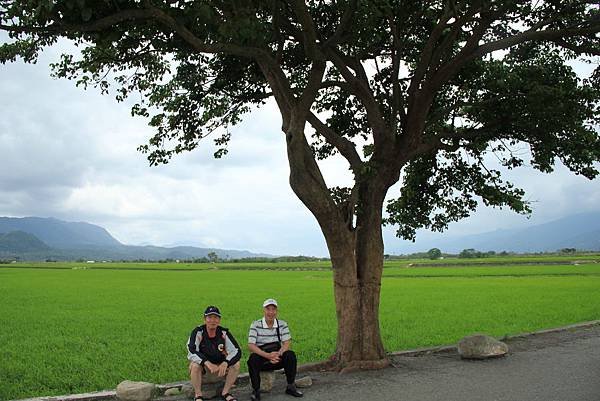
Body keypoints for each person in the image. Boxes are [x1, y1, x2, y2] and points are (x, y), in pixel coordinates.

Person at [247, 298, 303, 400]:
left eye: (273, 309)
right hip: (262, 358)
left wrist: (278, 354)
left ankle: (291, 386)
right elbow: (251, 345)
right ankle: (256, 391)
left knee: (290, 355)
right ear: (264, 310)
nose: (271, 312)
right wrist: (267, 356)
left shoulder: (282, 324)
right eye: (268, 309)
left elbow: (286, 342)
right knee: (253, 359)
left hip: (277, 357)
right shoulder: (255, 325)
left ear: (277, 311)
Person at [187, 306, 241, 401]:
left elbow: (236, 351)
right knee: (194, 365)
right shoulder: (198, 332)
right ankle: (198, 395)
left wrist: (226, 363)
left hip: (220, 371)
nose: (213, 320)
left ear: (219, 320)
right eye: (209, 317)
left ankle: (225, 393)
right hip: (205, 372)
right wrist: (207, 362)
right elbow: (191, 350)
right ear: (205, 319)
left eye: (215, 317)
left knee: (236, 364)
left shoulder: (223, 333)